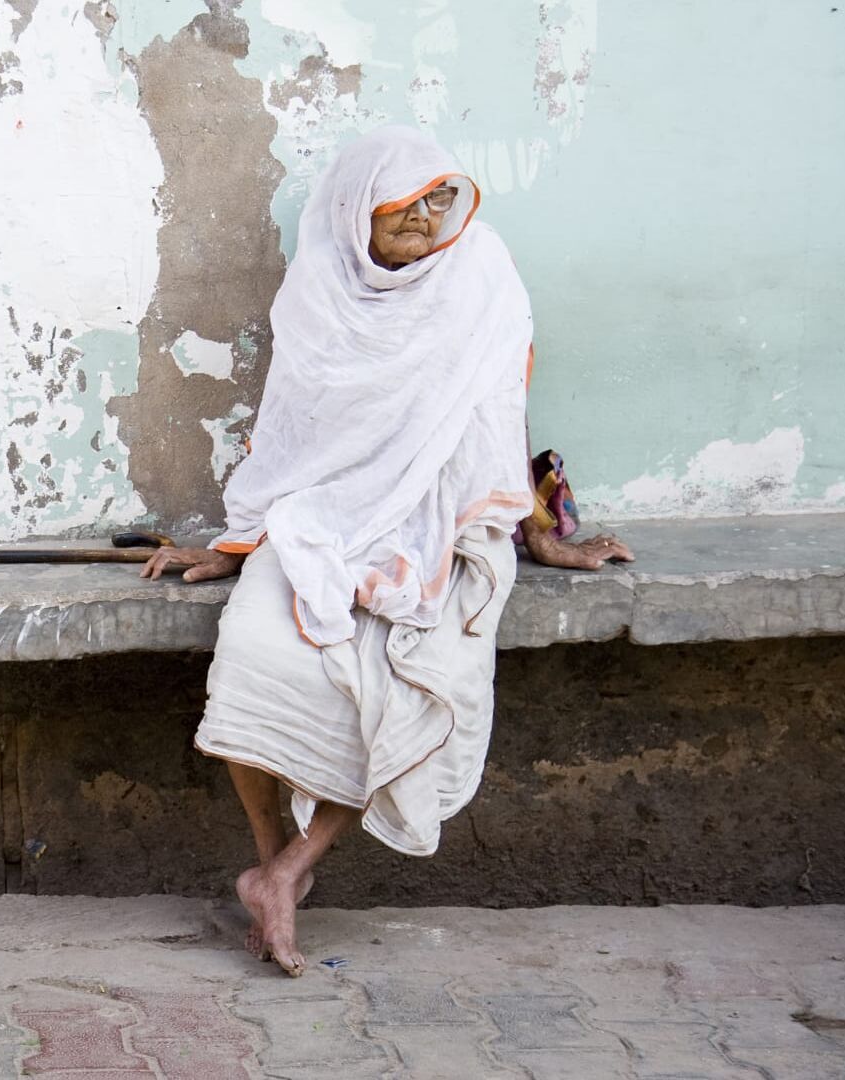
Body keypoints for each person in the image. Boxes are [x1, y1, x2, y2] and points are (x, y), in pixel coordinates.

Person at [141, 126, 632, 975]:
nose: (428, 216)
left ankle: (291, 871)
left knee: (416, 669)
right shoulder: (317, 288)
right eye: (407, 202)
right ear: (356, 206)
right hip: (322, 514)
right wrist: (238, 540)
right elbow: (291, 431)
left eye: (440, 198)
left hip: (443, 513)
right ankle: (273, 864)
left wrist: (540, 531)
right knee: (255, 649)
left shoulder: (478, 273)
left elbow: (496, 410)